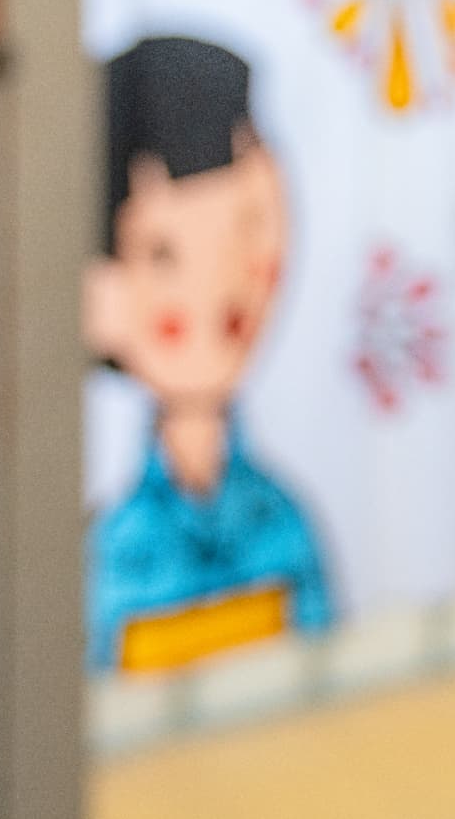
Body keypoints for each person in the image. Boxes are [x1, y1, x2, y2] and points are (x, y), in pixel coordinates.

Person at [85, 35, 333, 671]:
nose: (221, 286)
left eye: (251, 227)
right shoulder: (102, 541)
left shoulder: (281, 517)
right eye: (165, 254)